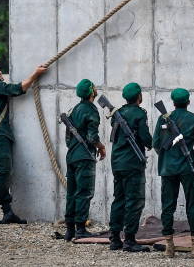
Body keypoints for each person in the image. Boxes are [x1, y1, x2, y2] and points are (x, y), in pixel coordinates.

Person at [0, 60, 47, 225]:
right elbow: (18, 89)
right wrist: (36, 74)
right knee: (3, 174)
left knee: (4, 174)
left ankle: (7, 212)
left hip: (0, 136)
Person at [152, 88, 194, 258]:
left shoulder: (163, 118)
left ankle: (169, 246)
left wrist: (167, 157)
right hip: (189, 168)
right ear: (188, 102)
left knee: (168, 206)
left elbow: (156, 143)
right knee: (193, 205)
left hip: (168, 169)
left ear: (173, 102)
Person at [108, 82, 152, 253]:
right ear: (139, 97)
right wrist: (152, 143)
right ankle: (130, 240)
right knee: (135, 201)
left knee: (119, 199)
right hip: (133, 164)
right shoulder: (139, 114)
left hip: (117, 163)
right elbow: (146, 138)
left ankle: (114, 238)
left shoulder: (117, 113)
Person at [64, 79, 106, 241]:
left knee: (71, 193)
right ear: (90, 92)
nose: (96, 89)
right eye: (93, 88)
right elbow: (92, 137)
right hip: (84, 157)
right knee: (84, 192)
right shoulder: (90, 110)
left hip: (72, 156)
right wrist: (101, 147)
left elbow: (68, 137)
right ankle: (80, 229)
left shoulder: (74, 109)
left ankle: (70, 230)